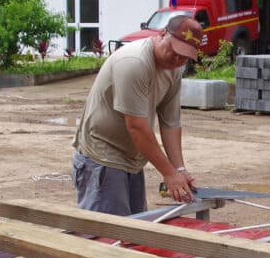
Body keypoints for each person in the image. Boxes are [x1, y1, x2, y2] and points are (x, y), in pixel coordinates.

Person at [72, 15, 202, 215]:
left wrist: (179, 170)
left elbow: (170, 123)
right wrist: (168, 173)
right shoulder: (134, 62)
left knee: (134, 231)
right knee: (106, 235)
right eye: (174, 51)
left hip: (132, 159)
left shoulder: (174, 70)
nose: (177, 59)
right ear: (161, 34)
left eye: (184, 56)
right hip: (104, 157)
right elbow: (137, 127)